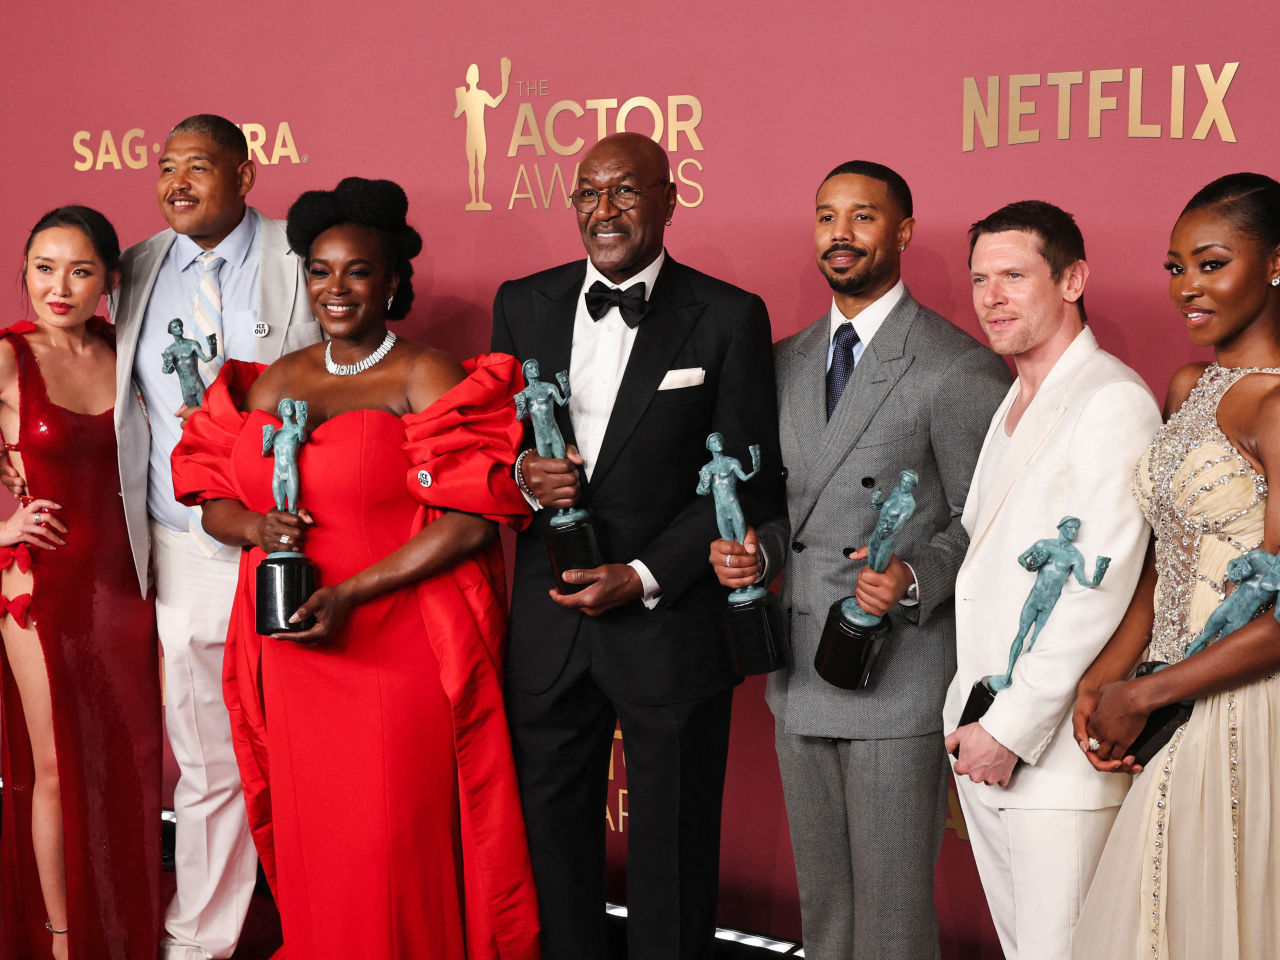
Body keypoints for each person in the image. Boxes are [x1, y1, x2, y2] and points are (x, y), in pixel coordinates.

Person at [171, 176, 540, 959]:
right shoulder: (277, 379)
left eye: (358, 271)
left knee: (392, 846)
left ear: (395, 280)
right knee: (320, 846)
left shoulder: (425, 375)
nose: (336, 288)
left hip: (396, 645)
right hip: (295, 648)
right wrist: (259, 528)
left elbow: (474, 521)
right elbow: (215, 499)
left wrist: (352, 592)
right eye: (320, 270)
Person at [492, 131, 784, 960]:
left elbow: (749, 479)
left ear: (668, 199)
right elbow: (492, 442)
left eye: (625, 191)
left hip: (668, 623)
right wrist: (521, 474)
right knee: (552, 849)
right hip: (548, 628)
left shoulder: (729, 315)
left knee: (673, 856)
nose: (604, 210)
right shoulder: (524, 302)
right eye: (588, 193)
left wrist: (646, 574)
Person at [708, 161, 1010, 960]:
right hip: (798, 671)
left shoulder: (957, 366)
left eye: (863, 217)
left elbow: (993, 523)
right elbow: (781, 511)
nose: (840, 234)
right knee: (826, 910)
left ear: (904, 232)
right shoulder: (782, 360)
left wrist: (914, 577)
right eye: (826, 216)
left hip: (897, 675)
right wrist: (754, 553)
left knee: (891, 916)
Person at [110, 114, 322, 960]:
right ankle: (200, 940)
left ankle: (323, 926)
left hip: (294, 542)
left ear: (246, 173)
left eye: (199, 165)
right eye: (167, 167)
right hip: (182, 544)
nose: (178, 182)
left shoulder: (302, 257)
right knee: (205, 758)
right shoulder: (134, 266)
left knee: (308, 748)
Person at [940, 201, 1161, 960]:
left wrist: (1008, 729)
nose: (991, 297)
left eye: (1013, 277)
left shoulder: (1112, 401)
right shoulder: (1015, 397)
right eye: (979, 279)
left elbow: (1094, 591)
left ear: (1073, 279)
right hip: (986, 735)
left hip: (1054, 753)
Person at [1072, 173, 1280, 960]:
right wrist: (1106, 677)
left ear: (1274, 264)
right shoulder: (1190, 386)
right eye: (1174, 267)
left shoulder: (1276, 408)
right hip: (1165, 691)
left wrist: (1147, 691)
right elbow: (1167, 561)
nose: (1187, 287)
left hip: (1244, 709)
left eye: (1211, 263)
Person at [0, 207, 161, 959]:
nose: (57, 287)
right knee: (59, 769)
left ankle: (126, 928)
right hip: (44, 588)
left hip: (127, 585)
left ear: (109, 280)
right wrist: (2, 531)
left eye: (80, 270)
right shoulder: (8, 358)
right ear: (24, 269)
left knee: (127, 766)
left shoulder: (123, 350)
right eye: (43, 267)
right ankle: (66, 942)